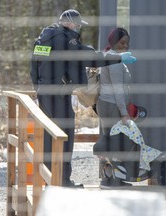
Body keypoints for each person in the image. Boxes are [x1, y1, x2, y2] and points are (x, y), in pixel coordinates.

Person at [30, 9, 137, 187]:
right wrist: (117, 58)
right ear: (70, 23)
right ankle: (62, 181)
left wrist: (37, 88)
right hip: (58, 93)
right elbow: (87, 57)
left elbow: (34, 65)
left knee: (50, 135)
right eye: (78, 24)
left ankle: (50, 180)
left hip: (45, 93)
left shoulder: (44, 38)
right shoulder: (65, 38)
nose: (78, 28)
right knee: (65, 135)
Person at [95, 27, 136, 187]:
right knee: (115, 142)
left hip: (107, 104)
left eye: (127, 43)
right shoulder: (115, 62)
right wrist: (124, 113)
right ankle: (112, 180)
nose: (125, 46)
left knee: (109, 140)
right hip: (112, 105)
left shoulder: (111, 56)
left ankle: (112, 178)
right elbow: (117, 90)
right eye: (122, 42)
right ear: (113, 42)